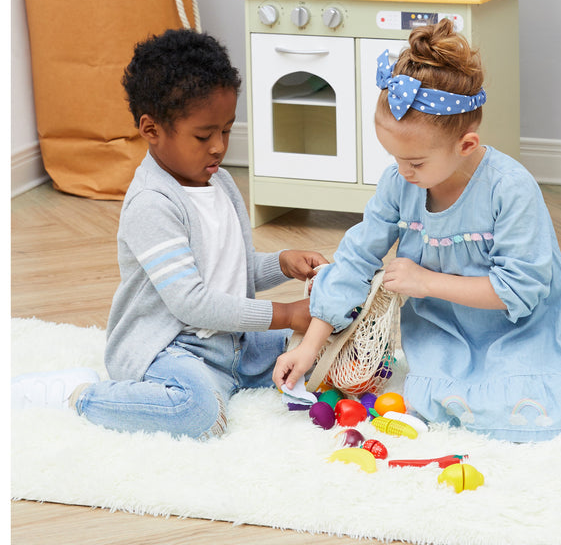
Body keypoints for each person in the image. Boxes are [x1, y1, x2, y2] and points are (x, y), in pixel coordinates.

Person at [273, 18, 561, 443]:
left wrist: (426, 281)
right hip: (444, 335)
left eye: (415, 163)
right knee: (438, 408)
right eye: (394, 158)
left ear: (467, 145)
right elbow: (355, 261)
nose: (402, 172)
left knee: (544, 418)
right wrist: (309, 348)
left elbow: (521, 290)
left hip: (518, 331)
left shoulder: (509, 188)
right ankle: (550, 371)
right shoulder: (399, 183)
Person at [12, 28, 328, 439]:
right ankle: (76, 394)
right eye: (203, 135)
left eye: (227, 131)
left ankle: (229, 378)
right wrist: (284, 314)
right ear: (151, 129)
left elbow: (233, 271)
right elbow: (191, 303)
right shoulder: (152, 203)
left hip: (232, 344)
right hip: (171, 350)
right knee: (195, 414)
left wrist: (283, 263)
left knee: (323, 343)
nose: (218, 147)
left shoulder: (221, 183)